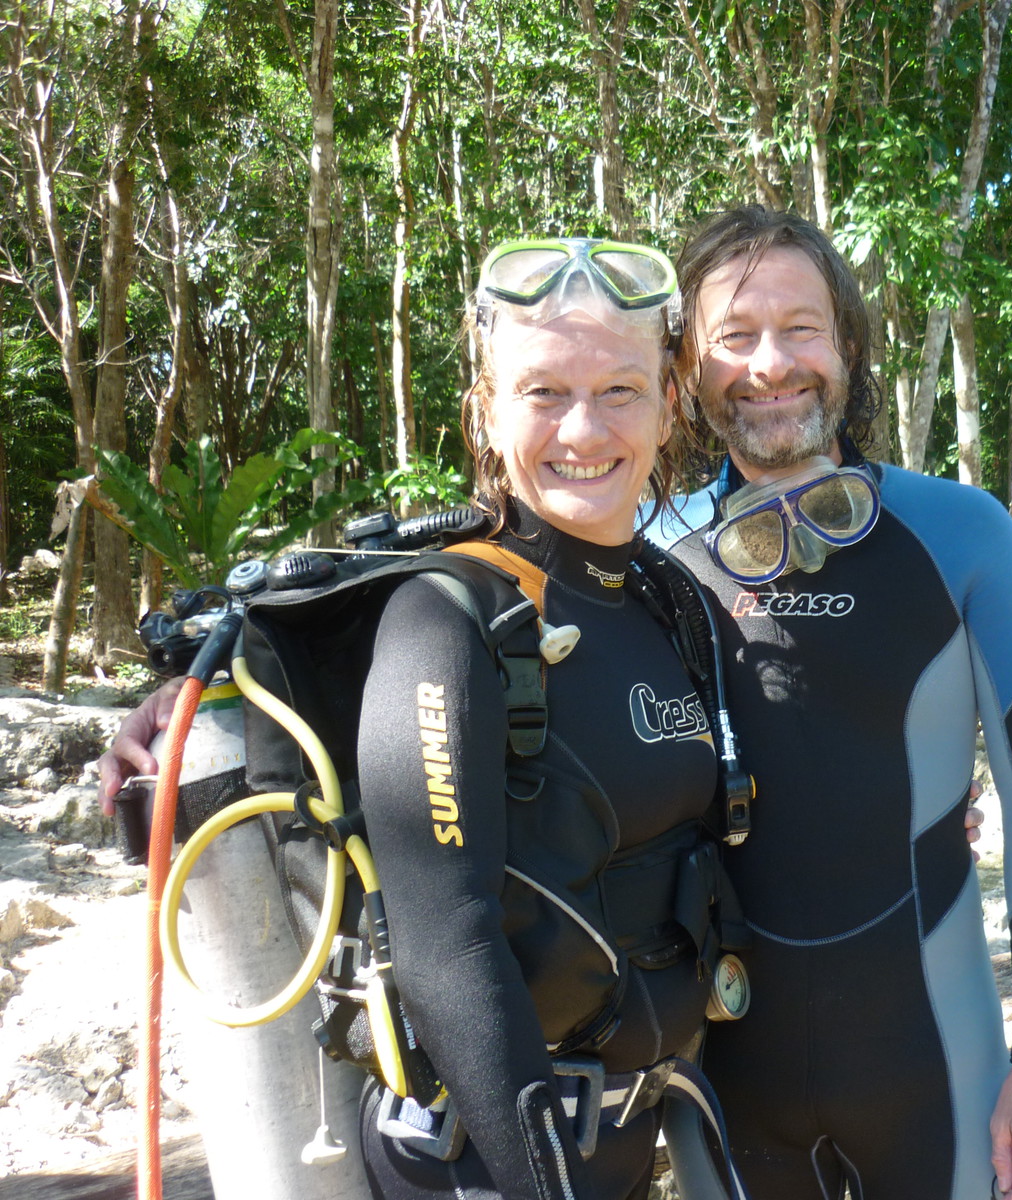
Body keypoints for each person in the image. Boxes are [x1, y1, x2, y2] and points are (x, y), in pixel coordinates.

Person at [107, 236, 745, 1200]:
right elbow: (449, 944)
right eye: (543, 393)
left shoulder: (670, 602)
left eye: (620, 389)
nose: (585, 428)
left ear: (668, 402)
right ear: (488, 412)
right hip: (477, 1165)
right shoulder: (444, 622)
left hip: (634, 1131)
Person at [645, 206, 1012, 1200]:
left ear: (848, 343)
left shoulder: (961, 535)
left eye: (802, 327)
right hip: (723, 1077)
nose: (772, 364)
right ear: (686, 368)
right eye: (734, 336)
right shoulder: (646, 557)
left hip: (934, 1050)